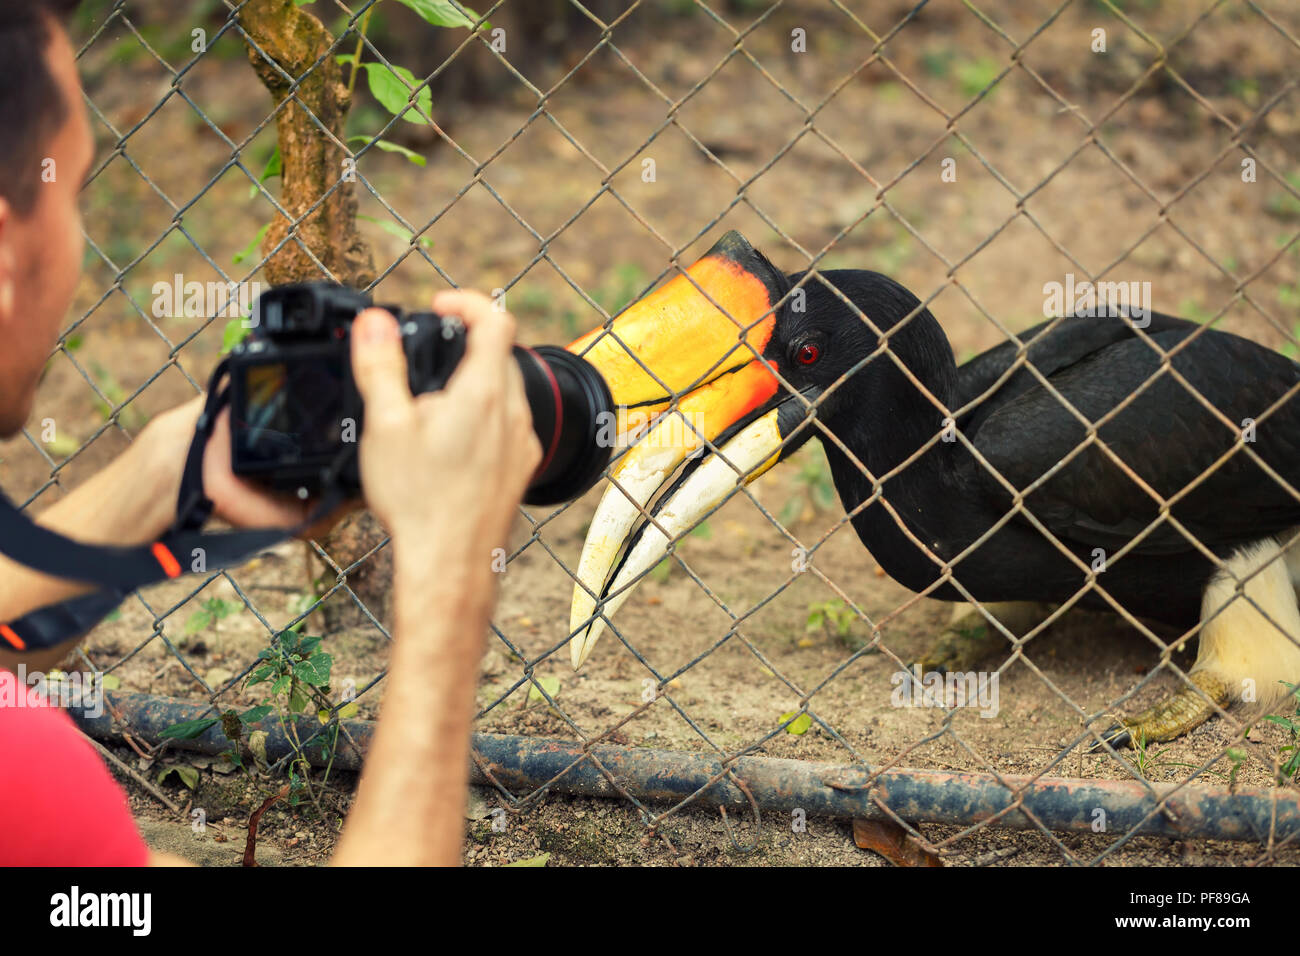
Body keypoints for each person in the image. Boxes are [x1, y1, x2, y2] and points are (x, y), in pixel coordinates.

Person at [0, 0, 541, 866]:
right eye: (78, 189)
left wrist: (174, 465)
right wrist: (448, 580)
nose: (83, 234)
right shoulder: (28, 778)